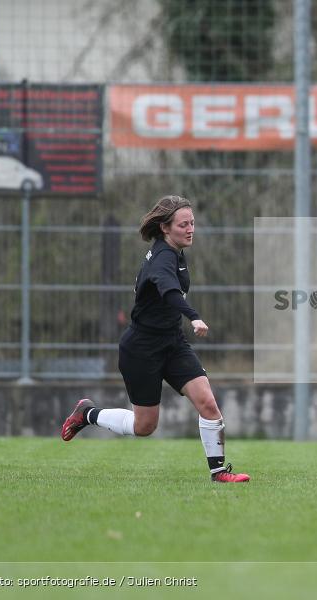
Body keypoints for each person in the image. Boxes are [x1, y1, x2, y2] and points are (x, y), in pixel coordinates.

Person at [61, 195, 250, 483]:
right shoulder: (163, 257)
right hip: (142, 349)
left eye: (192, 223)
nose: (190, 229)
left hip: (172, 343)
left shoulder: (175, 251)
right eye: (183, 224)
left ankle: (219, 473)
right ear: (165, 228)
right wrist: (194, 316)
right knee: (144, 426)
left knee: (208, 403)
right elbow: (169, 290)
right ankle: (88, 414)